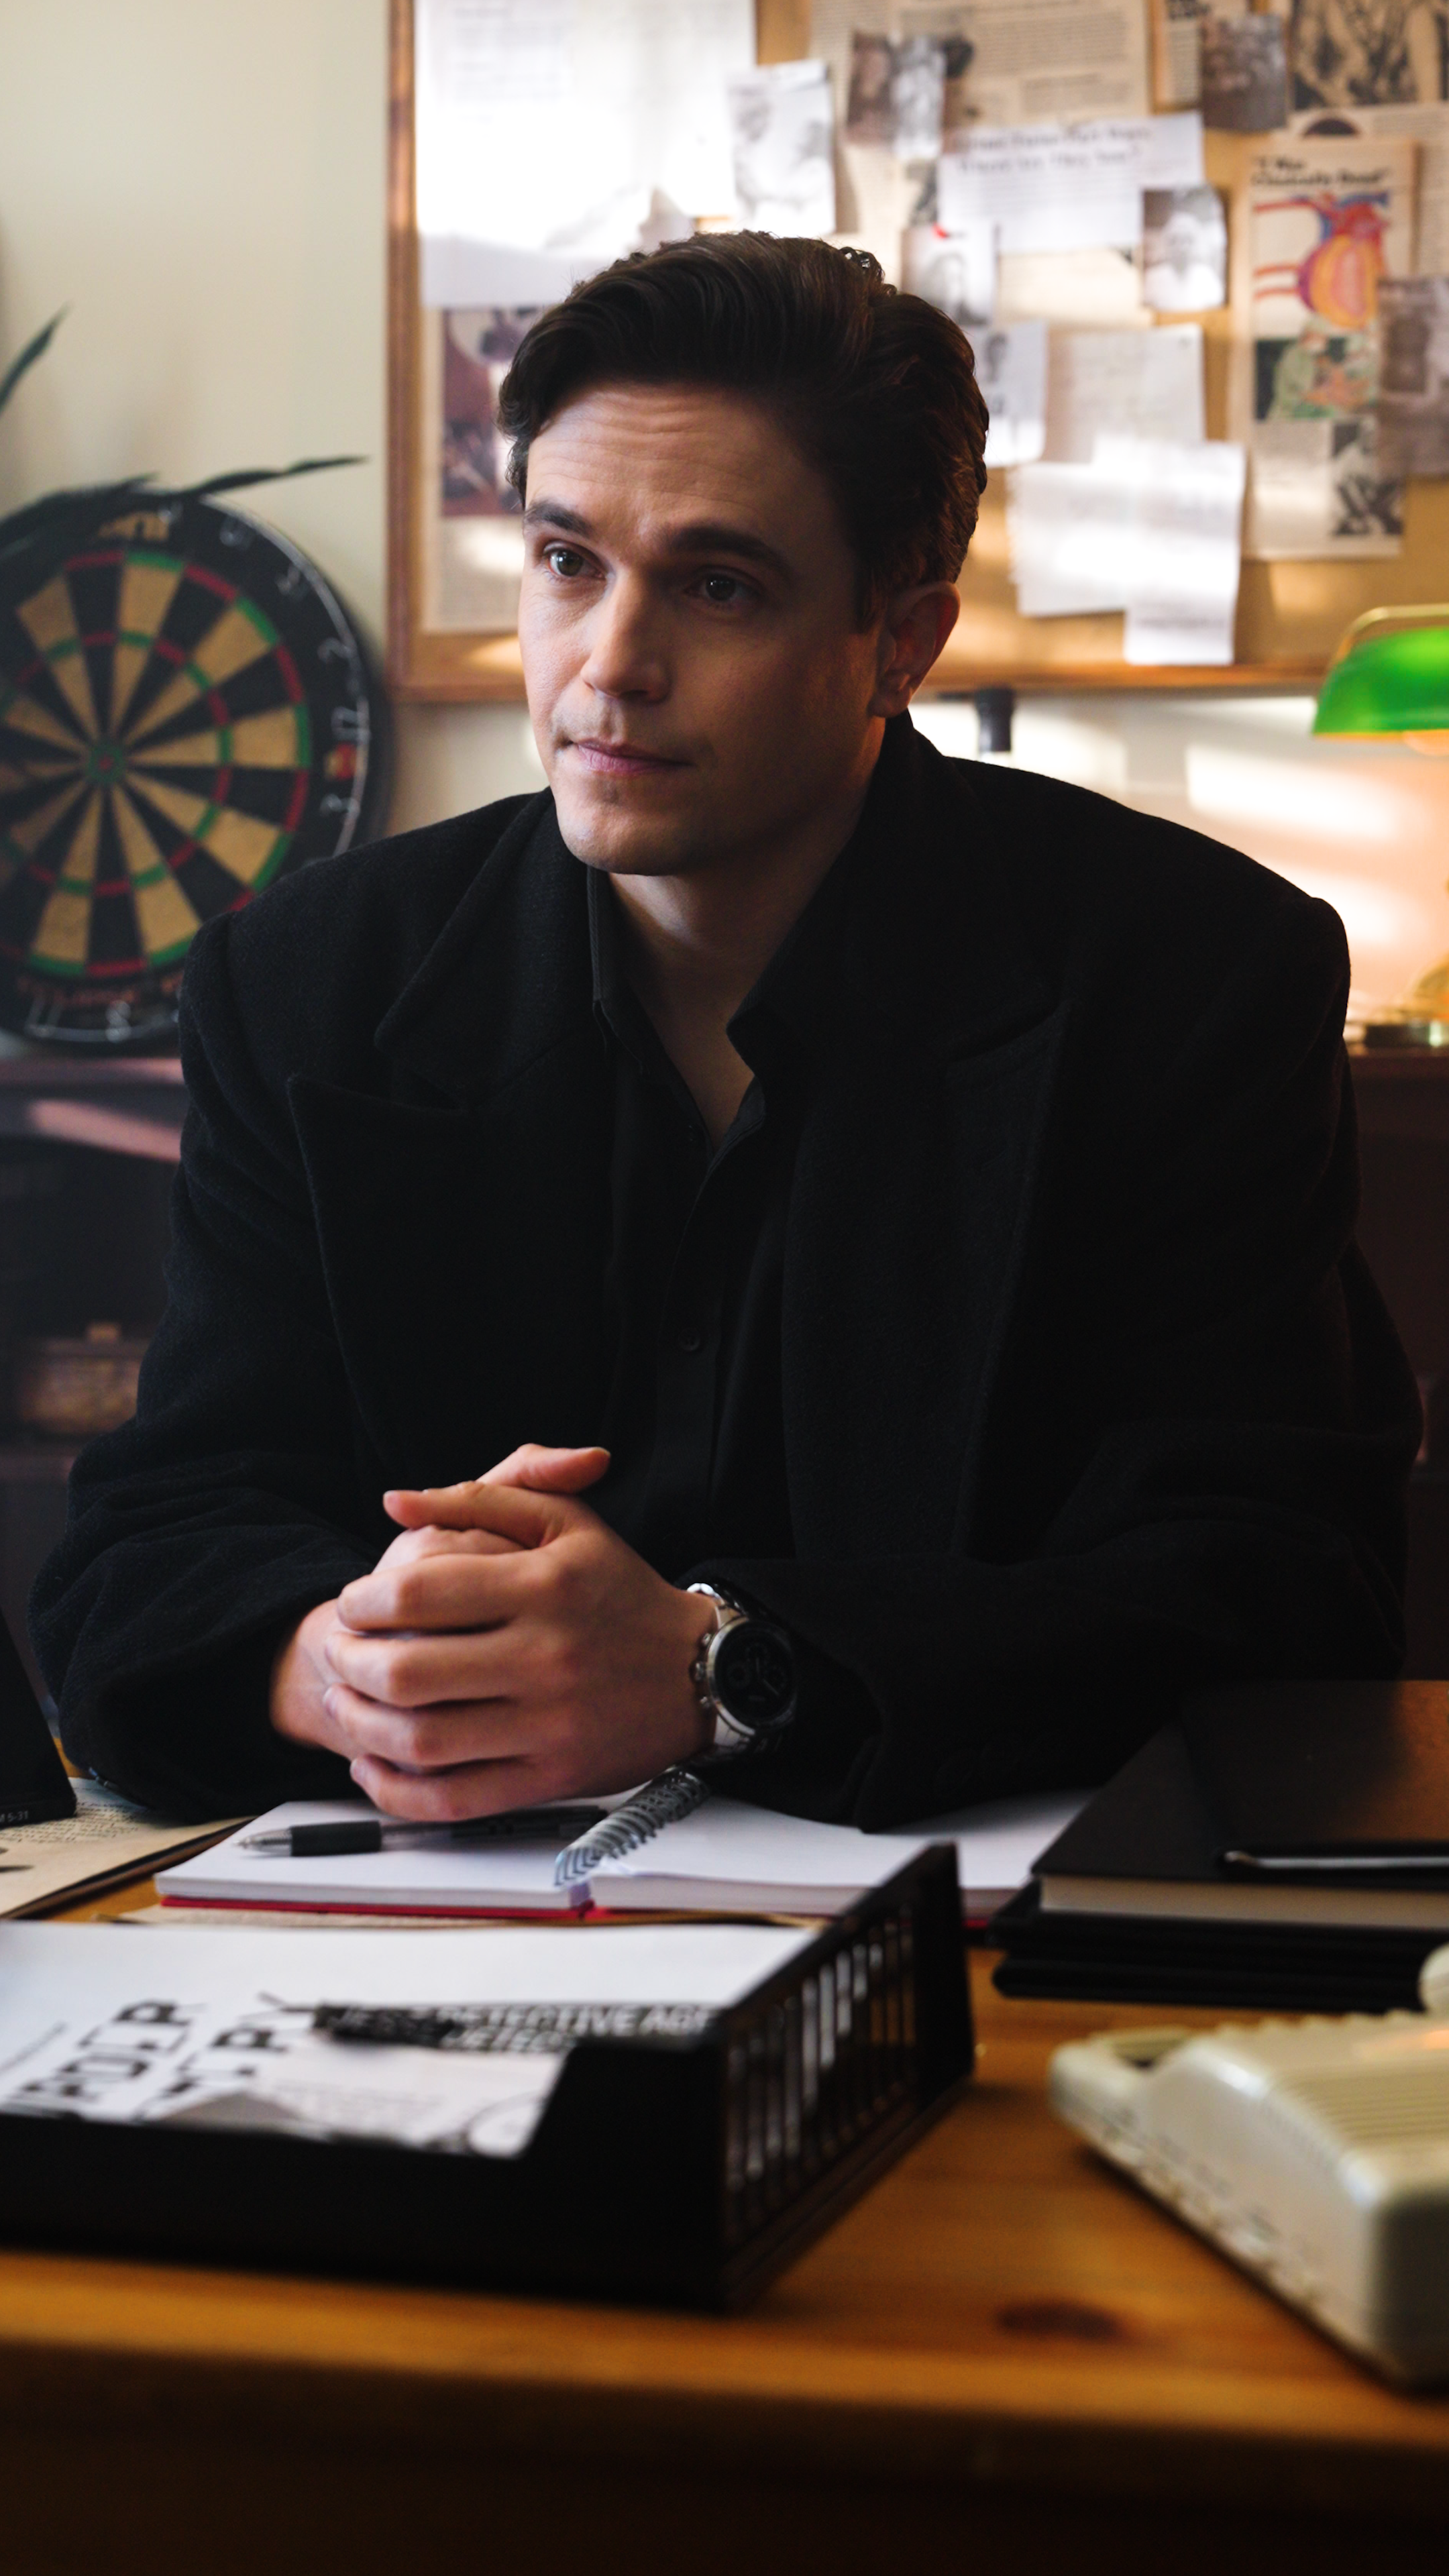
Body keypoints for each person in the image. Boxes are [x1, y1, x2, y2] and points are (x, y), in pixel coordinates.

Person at [32, 234, 1419, 1827]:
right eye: (567, 562)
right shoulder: (308, 984)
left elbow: (1283, 1587)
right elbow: (153, 1541)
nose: (607, 668)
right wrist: (340, 1663)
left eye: (716, 585)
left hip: (978, 1930)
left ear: (902, 640)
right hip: (437, 1922)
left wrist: (717, 1670)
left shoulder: (1189, 976)